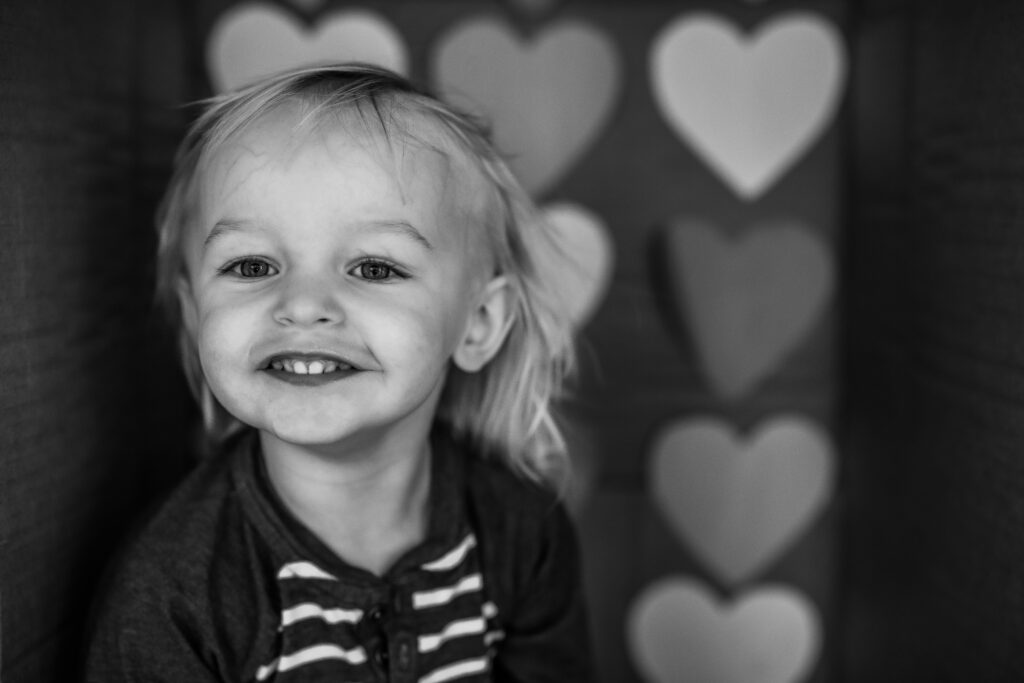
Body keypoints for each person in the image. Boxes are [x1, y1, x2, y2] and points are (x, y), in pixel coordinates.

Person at [84, 64, 592, 682]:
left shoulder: (521, 534)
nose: (300, 304)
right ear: (196, 318)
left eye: (374, 268)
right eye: (249, 266)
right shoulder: (173, 593)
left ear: (478, 324)